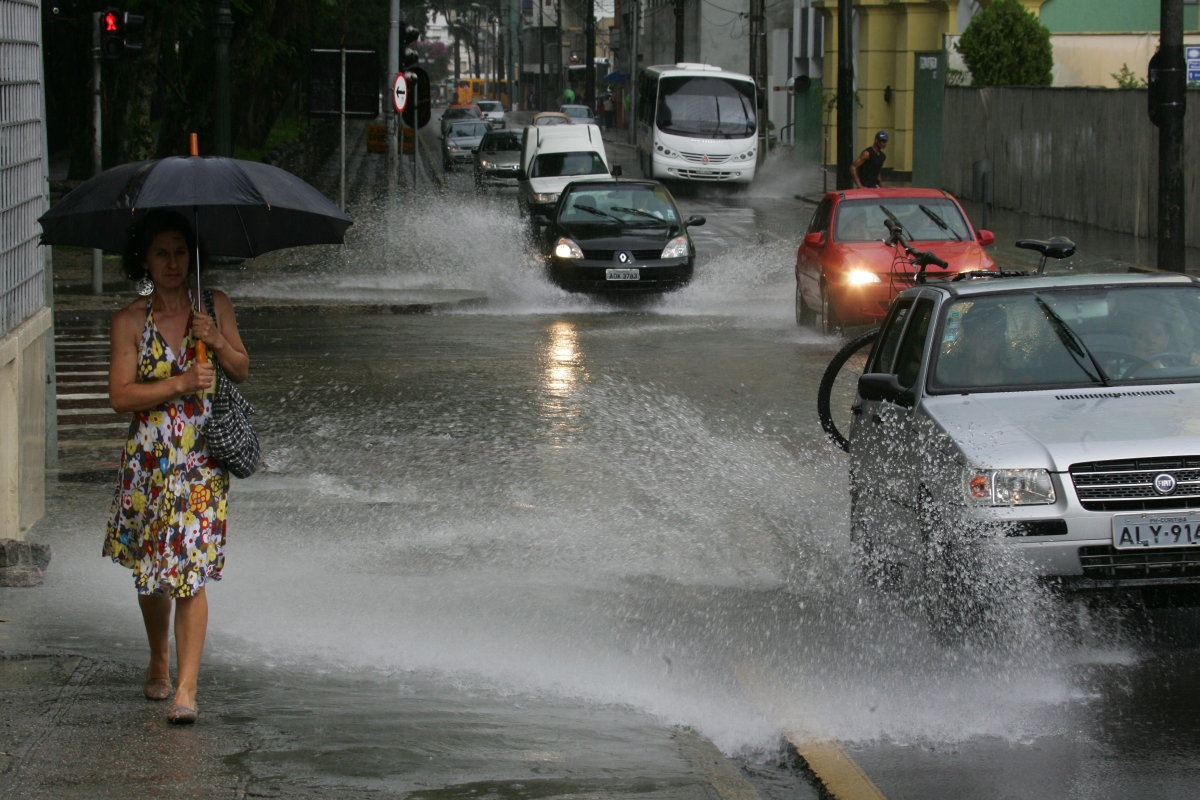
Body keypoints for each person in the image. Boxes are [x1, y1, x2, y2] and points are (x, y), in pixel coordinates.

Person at [105, 210, 250, 725]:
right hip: (148, 462)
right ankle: (159, 656)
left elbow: (241, 368)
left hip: (200, 460)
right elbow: (120, 396)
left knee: (189, 572)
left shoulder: (214, 307)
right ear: (143, 259)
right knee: (152, 576)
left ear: (194, 258)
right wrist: (179, 383)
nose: (172, 263)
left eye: (180, 252)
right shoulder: (129, 320)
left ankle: (187, 689)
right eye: (161, 253)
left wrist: (216, 339)